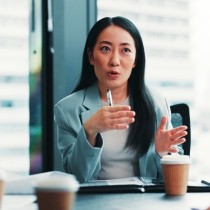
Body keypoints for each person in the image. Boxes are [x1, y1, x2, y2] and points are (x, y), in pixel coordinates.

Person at [54, 16, 187, 183]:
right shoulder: (67, 110)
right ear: (91, 56)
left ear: (136, 60)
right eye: (105, 49)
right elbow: (77, 178)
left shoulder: (156, 103)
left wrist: (163, 153)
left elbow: (171, 181)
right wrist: (89, 131)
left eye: (125, 50)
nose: (114, 61)